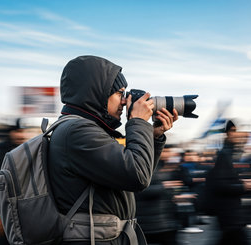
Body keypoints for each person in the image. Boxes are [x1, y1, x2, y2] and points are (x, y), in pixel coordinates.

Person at [47, 55, 178, 244]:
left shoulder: (85, 129)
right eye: (119, 93)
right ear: (97, 93)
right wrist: (138, 122)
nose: (125, 102)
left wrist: (153, 136)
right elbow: (136, 175)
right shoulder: (77, 131)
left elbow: (134, 176)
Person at [205, 119, 251, 245]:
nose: (238, 135)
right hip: (229, 214)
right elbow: (221, 185)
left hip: (231, 214)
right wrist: (246, 186)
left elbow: (227, 180)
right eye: (234, 131)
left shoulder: (231, 154)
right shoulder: (224, 155)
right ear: (228, 133)